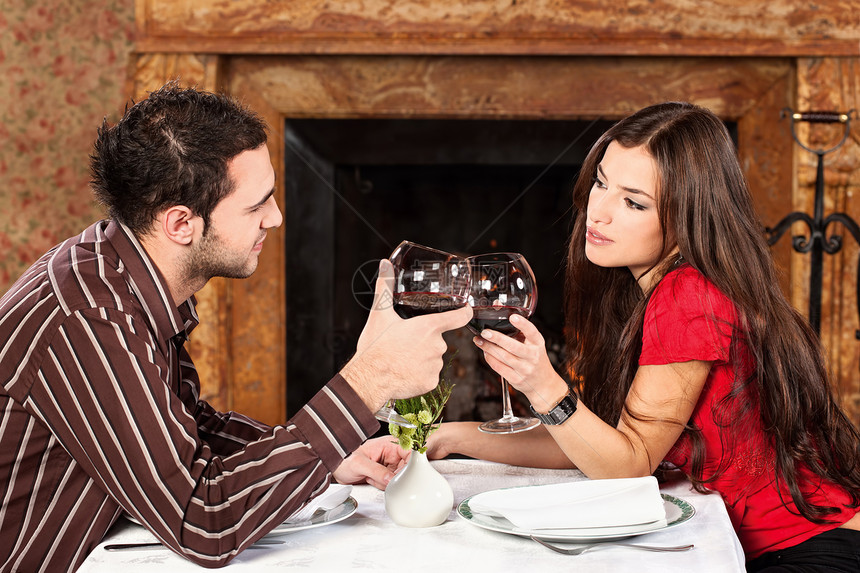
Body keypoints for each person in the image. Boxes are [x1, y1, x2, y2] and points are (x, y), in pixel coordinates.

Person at [0, 82, 471, 572]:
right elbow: (205, 521)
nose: (277, 217)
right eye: (256, 205)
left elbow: (186, 431)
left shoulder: (117, 270)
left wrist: (332, 453)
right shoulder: (89, 318)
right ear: (181, 224)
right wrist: (367, 382)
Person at [427, 102, 860, 570]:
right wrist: (448, 436)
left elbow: (628, 464)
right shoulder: (653, 289)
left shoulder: (688, 294)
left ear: (687, 215)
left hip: (813, 549)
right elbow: (597, 446)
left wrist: (544, 386)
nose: (600, 212)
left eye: (634, 202)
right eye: (601, 182)